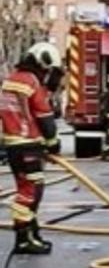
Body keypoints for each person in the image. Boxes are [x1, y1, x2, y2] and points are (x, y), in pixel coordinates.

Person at [0, 41, 64, 255]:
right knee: (31, 191)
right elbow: (45, 118)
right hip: (28, 145)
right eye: (48, 69)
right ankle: (23, 238)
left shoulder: (11, 80)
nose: (48, 73)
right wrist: (54, 143)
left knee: (25, 187)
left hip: (13, 144)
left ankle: (31, 231)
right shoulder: (32, 82)